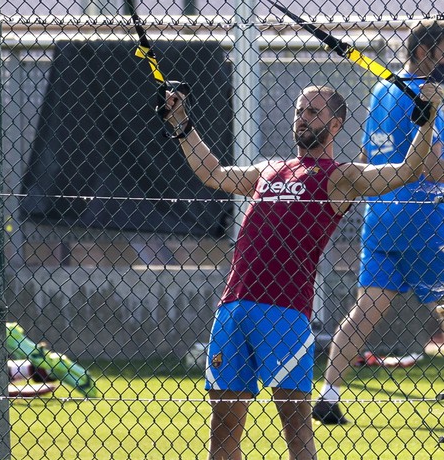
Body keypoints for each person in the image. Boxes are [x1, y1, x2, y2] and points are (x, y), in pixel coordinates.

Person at [162, 81, 442, 460]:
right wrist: (181, 122)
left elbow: (407, 171)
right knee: (223, 435)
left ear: (336, 124)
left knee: (297, 436)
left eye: (314, 112)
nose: (302, 119)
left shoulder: (340, 176)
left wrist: (425, 123)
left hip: (284, 314)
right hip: (233, 309)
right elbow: (213, 173)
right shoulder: (269, 169)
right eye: (299, 111)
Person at [313, 20, 444, 425]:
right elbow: (434, 167)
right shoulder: (427, 95)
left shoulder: (383, 89)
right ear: (424, 52)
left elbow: (369, 155)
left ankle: (329, 394)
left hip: (383, 219)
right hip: (427, 220)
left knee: (364, 311)